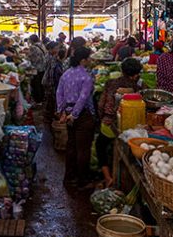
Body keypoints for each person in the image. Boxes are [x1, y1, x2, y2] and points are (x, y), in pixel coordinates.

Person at [96, 58, 143, 187]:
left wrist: (101, 118)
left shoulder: (111, 83)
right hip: (130, 127)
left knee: (100, 146)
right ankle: (123, 181)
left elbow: (101, 104)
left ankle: (108, 177)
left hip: (109, 122)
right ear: (135, 74)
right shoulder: (138, 88)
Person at [56, 46, 97, 187]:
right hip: (82, 115)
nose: (90, 60)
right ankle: (82, 181)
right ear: (83, 60)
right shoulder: (86, 76)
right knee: (83, 149)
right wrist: (74, 114)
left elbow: (59, 93)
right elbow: (83, 98)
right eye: (89, 58)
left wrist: (62, 111)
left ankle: (69, 178)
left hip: (68, 112)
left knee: (71, 145)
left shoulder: (66, 74)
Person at [43, 41, 67, 128]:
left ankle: (50, 114)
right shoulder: (50, 58)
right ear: (51, 49)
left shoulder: (52, 57)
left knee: (51, 98)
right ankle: (50, 115)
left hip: (49, 81)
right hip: (50, 81)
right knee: (51, 98)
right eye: (56, 48)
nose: (57, 49)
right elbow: (52, 72)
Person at [27, 34, 49, 103]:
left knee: (36, 85)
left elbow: (32, 59)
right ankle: (42, 99)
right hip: (43, 67)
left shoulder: (33, 47)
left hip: (36, 68)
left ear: (31, 40)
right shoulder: (41, 45)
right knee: (41, 84)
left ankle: (38, 100)